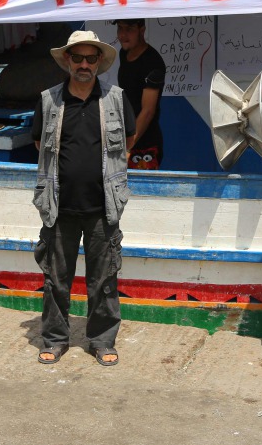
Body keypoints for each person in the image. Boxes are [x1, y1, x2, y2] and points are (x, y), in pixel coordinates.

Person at [31, 30, 136, 367]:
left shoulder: (117, 99)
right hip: (58, 208)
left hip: (104, 207)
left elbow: (129, 141)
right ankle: (55, 339)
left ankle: (103, 341)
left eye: (92, 59)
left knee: (104, 280)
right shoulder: (49, 100)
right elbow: (39, 145)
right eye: (78, 58)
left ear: (99, 64)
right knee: (56, 280)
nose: (85, 64)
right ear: (67, 61)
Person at [115, 19, 166, 169]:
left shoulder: (153, 63)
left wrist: (127, 146)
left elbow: (148, 111)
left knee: (142, 191)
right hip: (126, 136)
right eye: (120, 28)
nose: (123, 35)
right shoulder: (124, 53)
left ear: (142, 30)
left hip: (145, 144)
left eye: (129, 29)